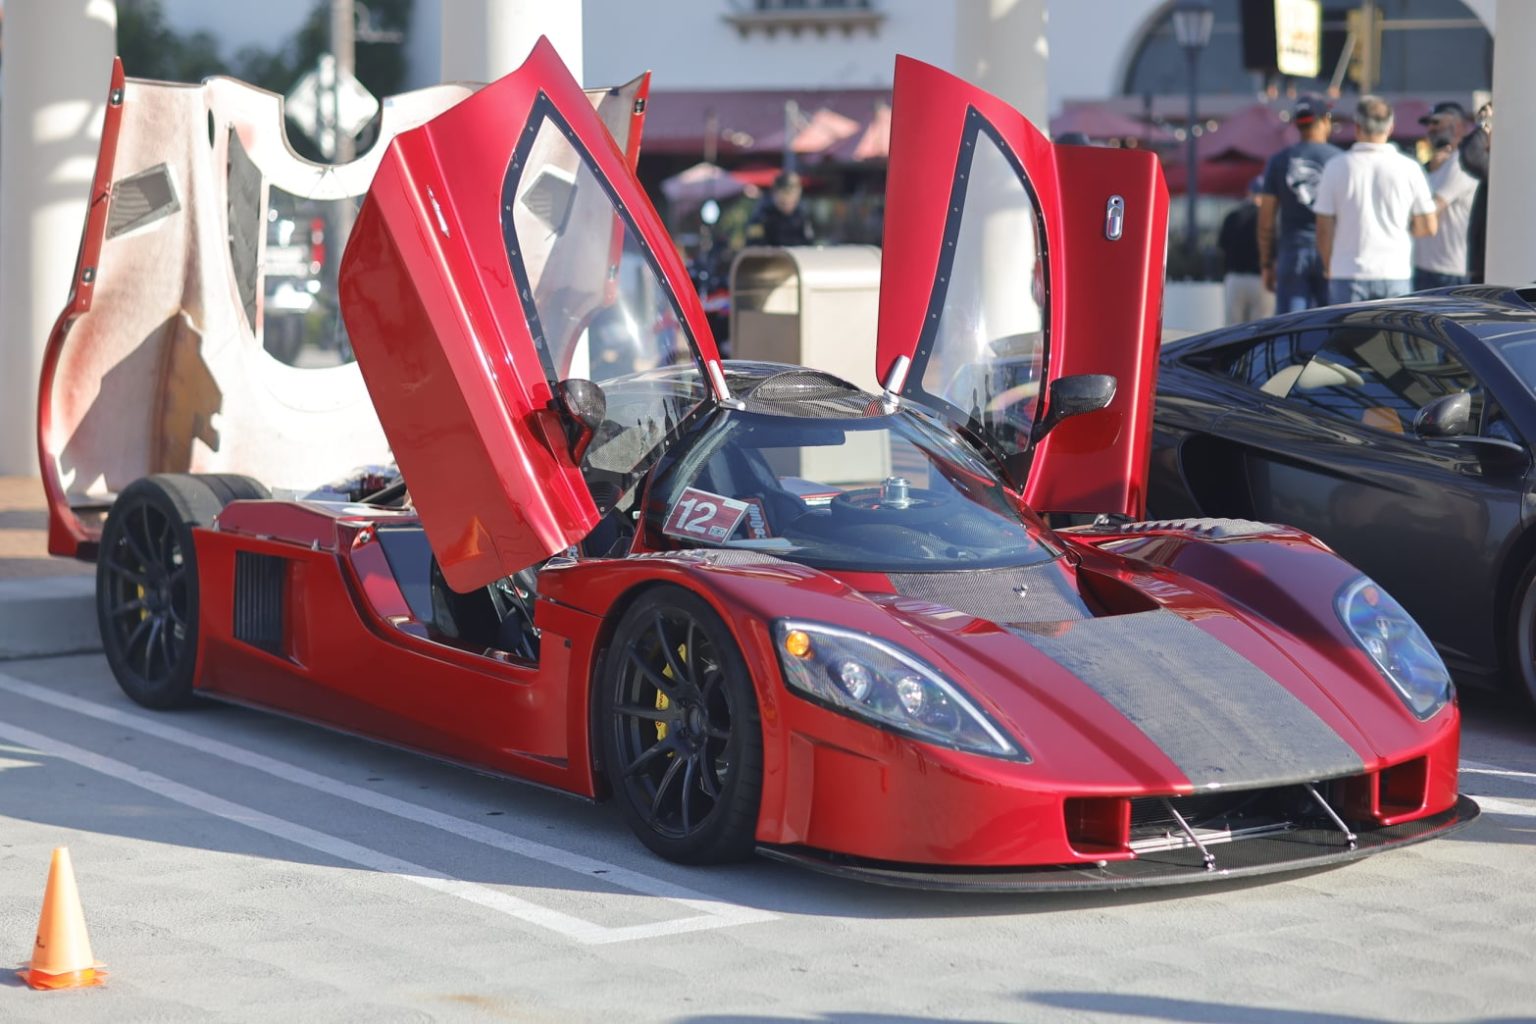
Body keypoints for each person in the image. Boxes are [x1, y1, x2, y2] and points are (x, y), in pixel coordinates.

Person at [1315, 95, 1437, 304]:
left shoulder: (1335, 167)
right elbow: (1429, 226)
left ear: (1357, 127)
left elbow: (1324, 228)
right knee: (1394, 337)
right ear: (1390, 128)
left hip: (1347, 272)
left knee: (1348, 337)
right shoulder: (1409, 168)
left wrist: (1330, 266)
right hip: (1395, 272)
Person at [1258, 95, 1342, 312]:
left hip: (1292, 252)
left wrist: (1267, 263)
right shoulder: (1341, 160)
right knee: (1332, 324)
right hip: (1334, 252)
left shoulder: (1279, 160)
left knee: (1290, 329)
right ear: (1325, 120)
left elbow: (1266, 219)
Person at [1413, 101, 1479, 290]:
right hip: (1429, 267)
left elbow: (1431, 209)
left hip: (1450, 271)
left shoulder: (1462, 162)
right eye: (1428, 124)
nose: (1431, 129)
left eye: (1437, 122)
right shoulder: (1436, 164)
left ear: (1458, 127)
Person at [1217, 177, 1275, 324]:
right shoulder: (1270, 218)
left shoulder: (1233, 216)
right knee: (1260, 331)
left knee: (1232, 331)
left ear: (1249, 192)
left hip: (1235, 278)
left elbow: (1222, 245)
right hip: (1261, 279)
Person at [1461, 102, 1492, 284]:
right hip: (1487, 263)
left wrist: (1485, 126)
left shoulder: (1513, 162)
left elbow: (1472, 156)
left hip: (1495, 266)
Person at [745, 171, 813, 247]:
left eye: (793, 201)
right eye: (783, 202)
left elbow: (808, 244)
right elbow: (754, 249)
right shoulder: (762, 217)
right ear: (774, 194)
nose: (788, 202)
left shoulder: (800, 216)